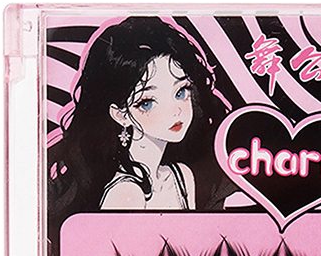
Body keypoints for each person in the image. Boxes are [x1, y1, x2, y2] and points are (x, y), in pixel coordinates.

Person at [48, 17, 232, 221]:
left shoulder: (181, 177)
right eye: (147, 102)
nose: (175, 111)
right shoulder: (126, 193)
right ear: (120, 115)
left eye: (180, 92)